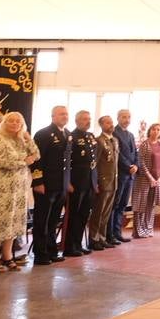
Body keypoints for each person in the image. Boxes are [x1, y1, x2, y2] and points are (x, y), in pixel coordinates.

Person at [0, 112, 37, 273]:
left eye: (18, 121)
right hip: (1, 187)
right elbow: (2, 162)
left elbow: (36, 154)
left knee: (13, 221)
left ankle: (7, 256)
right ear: (4, 123)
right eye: (11, 121)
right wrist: (24, 161)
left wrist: (28, 138)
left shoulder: (21, 140)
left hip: (18, 188)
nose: (14, 124)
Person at [31, 105, 71, 266]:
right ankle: (40, 253)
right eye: (61, 114)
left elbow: (67, 162)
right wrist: (38, 181)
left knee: (54, 220)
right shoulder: (44, 134)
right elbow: (36, 160)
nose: (65, 116)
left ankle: (52, 250)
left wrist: (67, 182)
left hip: (60, 185)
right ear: (53, 116)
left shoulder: (67, 134)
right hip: (46, 184)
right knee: (42, 220)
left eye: (66, 114)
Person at [63, 110, 98, 258]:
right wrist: (68, 182)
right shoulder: (72, 137)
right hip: (76, 182)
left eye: (89, 119)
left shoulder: (90, 136)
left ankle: (78, 244)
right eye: (84, 119)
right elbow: (66, 161)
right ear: (77, 121)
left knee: (84, 214)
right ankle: (69, 246)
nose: (88, 121)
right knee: (74, 215)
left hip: (89, 182)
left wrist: (95, 182)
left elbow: (93, 162)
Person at [87, 115, 119, 250]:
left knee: (106, 212)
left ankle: (102, 237)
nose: (111, 125)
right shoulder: (98, 141)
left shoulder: (115, 140)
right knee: (98, 212)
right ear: (101, 125)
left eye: (111, 122)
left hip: (113, 181)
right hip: (103, 181)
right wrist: (96, 183)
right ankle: (94, 239)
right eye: (107, 123)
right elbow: (95, 164)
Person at [110, 109, 138, 244]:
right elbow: (118, 154)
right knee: (115, 204)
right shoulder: (114, 133)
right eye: (123, 117)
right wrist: (128, 167)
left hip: (130, 175)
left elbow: (135, 153)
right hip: (120, 174)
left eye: (128, 117)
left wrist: (136, 166)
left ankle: (117, 232)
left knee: (122, 205)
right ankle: (110, 234)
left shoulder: (131, 135)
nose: (126, 120)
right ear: (118, 118)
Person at [133, 123, 160, 238]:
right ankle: (139, 231)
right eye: (153, 129)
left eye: (158, 130)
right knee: (141, 205)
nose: (156, 131)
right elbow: (141, 162)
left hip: (157, 180)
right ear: (149, 131)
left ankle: (148, 228)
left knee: (151, 206)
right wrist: (150, 178)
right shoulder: (144, 145)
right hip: (144, 179)